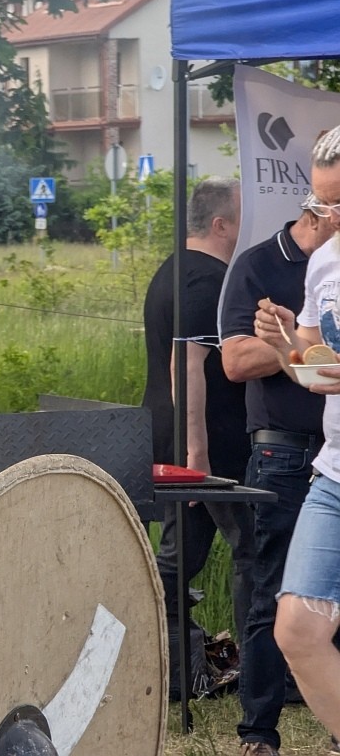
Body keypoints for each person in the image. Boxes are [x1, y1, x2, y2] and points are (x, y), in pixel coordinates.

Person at [220, 199, 333, 756]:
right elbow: (235, 361)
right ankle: (259, 732)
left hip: (335, 453)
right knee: (270, 595)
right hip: (283, 452)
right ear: (319, 212)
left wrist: (298, 342)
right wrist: (294, 342)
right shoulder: (258, 265)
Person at [141, 175, 255, 701]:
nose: (244, 226)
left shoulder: (168, 272)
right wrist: (199, 456)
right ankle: (260, 667)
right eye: (240, 215)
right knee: (252, 549)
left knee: (178, 555)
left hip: (166, 437)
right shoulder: (208, 280)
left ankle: (171, 662)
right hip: (210, 446)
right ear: (219, 223)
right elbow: (185, 364)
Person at [255, 124, 340, 754]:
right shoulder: (326, 260)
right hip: (334, 475)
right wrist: (289, 343)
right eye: (319, 204)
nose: (327, 219)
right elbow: (315, 359)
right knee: (298, 629)